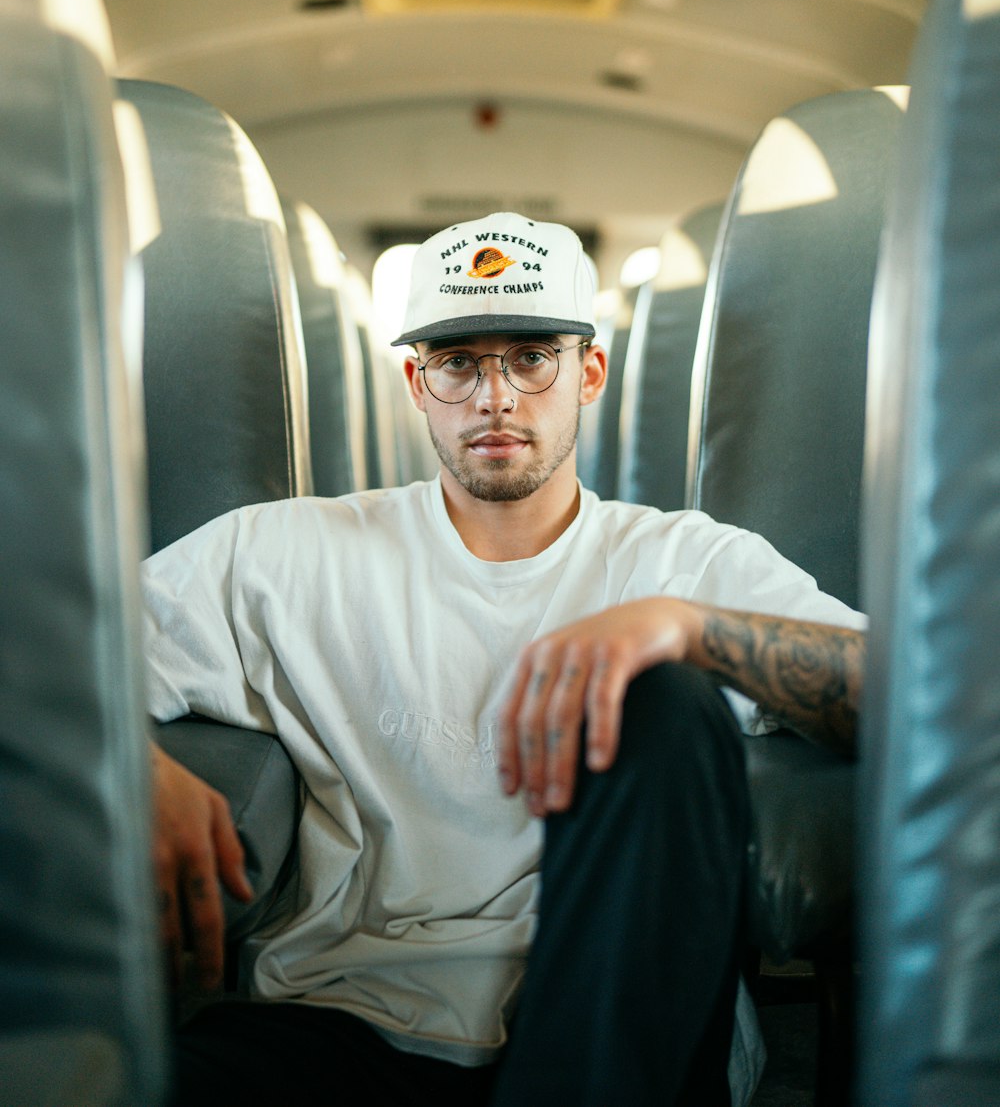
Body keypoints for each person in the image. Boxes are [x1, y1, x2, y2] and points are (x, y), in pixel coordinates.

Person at [146, 212, 865, 1106]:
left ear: (588, 374)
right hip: (339, 1015)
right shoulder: (282, 553)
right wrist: (129, 760)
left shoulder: (692, 562)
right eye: (458, 363)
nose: (496, 398)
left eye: (531, 357)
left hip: (604, 1023)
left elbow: (913, 700)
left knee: (668, 697)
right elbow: (42, 658)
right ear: (417, 382)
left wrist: (686, 629)